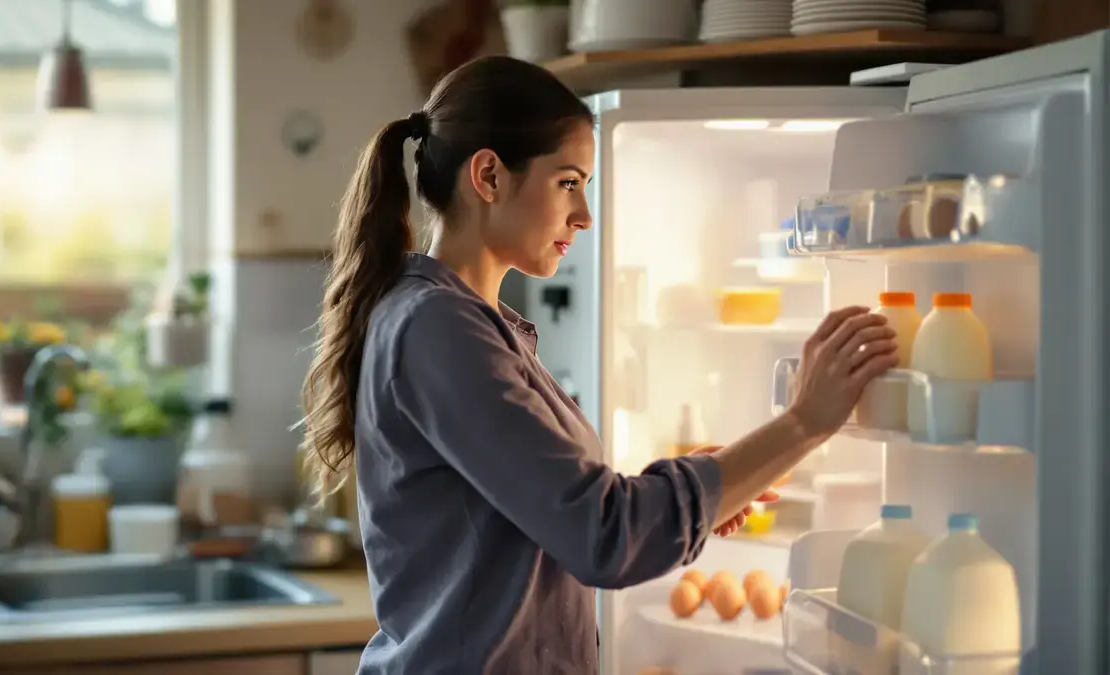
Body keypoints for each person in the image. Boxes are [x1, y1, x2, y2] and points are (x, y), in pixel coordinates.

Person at [300, 56, 898, 675]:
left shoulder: (469, 324)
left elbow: (566, 508)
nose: (584, 214)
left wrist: (713, 478)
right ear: (488, 176)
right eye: (568, 182)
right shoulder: (438, 329)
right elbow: (603, 536)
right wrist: (805, 421)